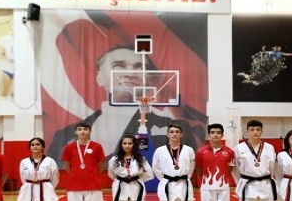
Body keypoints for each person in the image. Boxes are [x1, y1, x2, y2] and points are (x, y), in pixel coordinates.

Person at [48, 43, 206, 161]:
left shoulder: (174, 127)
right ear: (100, 78)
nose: (130, 73)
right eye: (119, 65)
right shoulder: (66, 135)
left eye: (139, 67)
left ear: (149, 79)